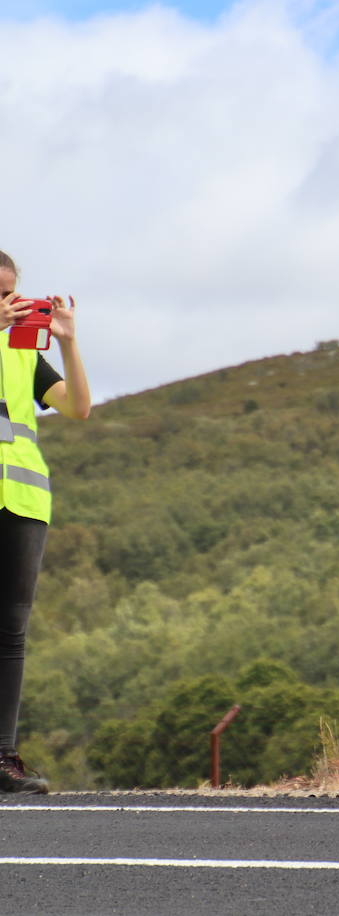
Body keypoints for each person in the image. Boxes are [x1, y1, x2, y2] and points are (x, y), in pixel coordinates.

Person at [0, 249, 92, 794]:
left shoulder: (22, 354)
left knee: (10, 635)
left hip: (24, 505)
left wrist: (69, 341)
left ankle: (3, 759)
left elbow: (79, 407)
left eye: (9, 292)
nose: (6, 303)